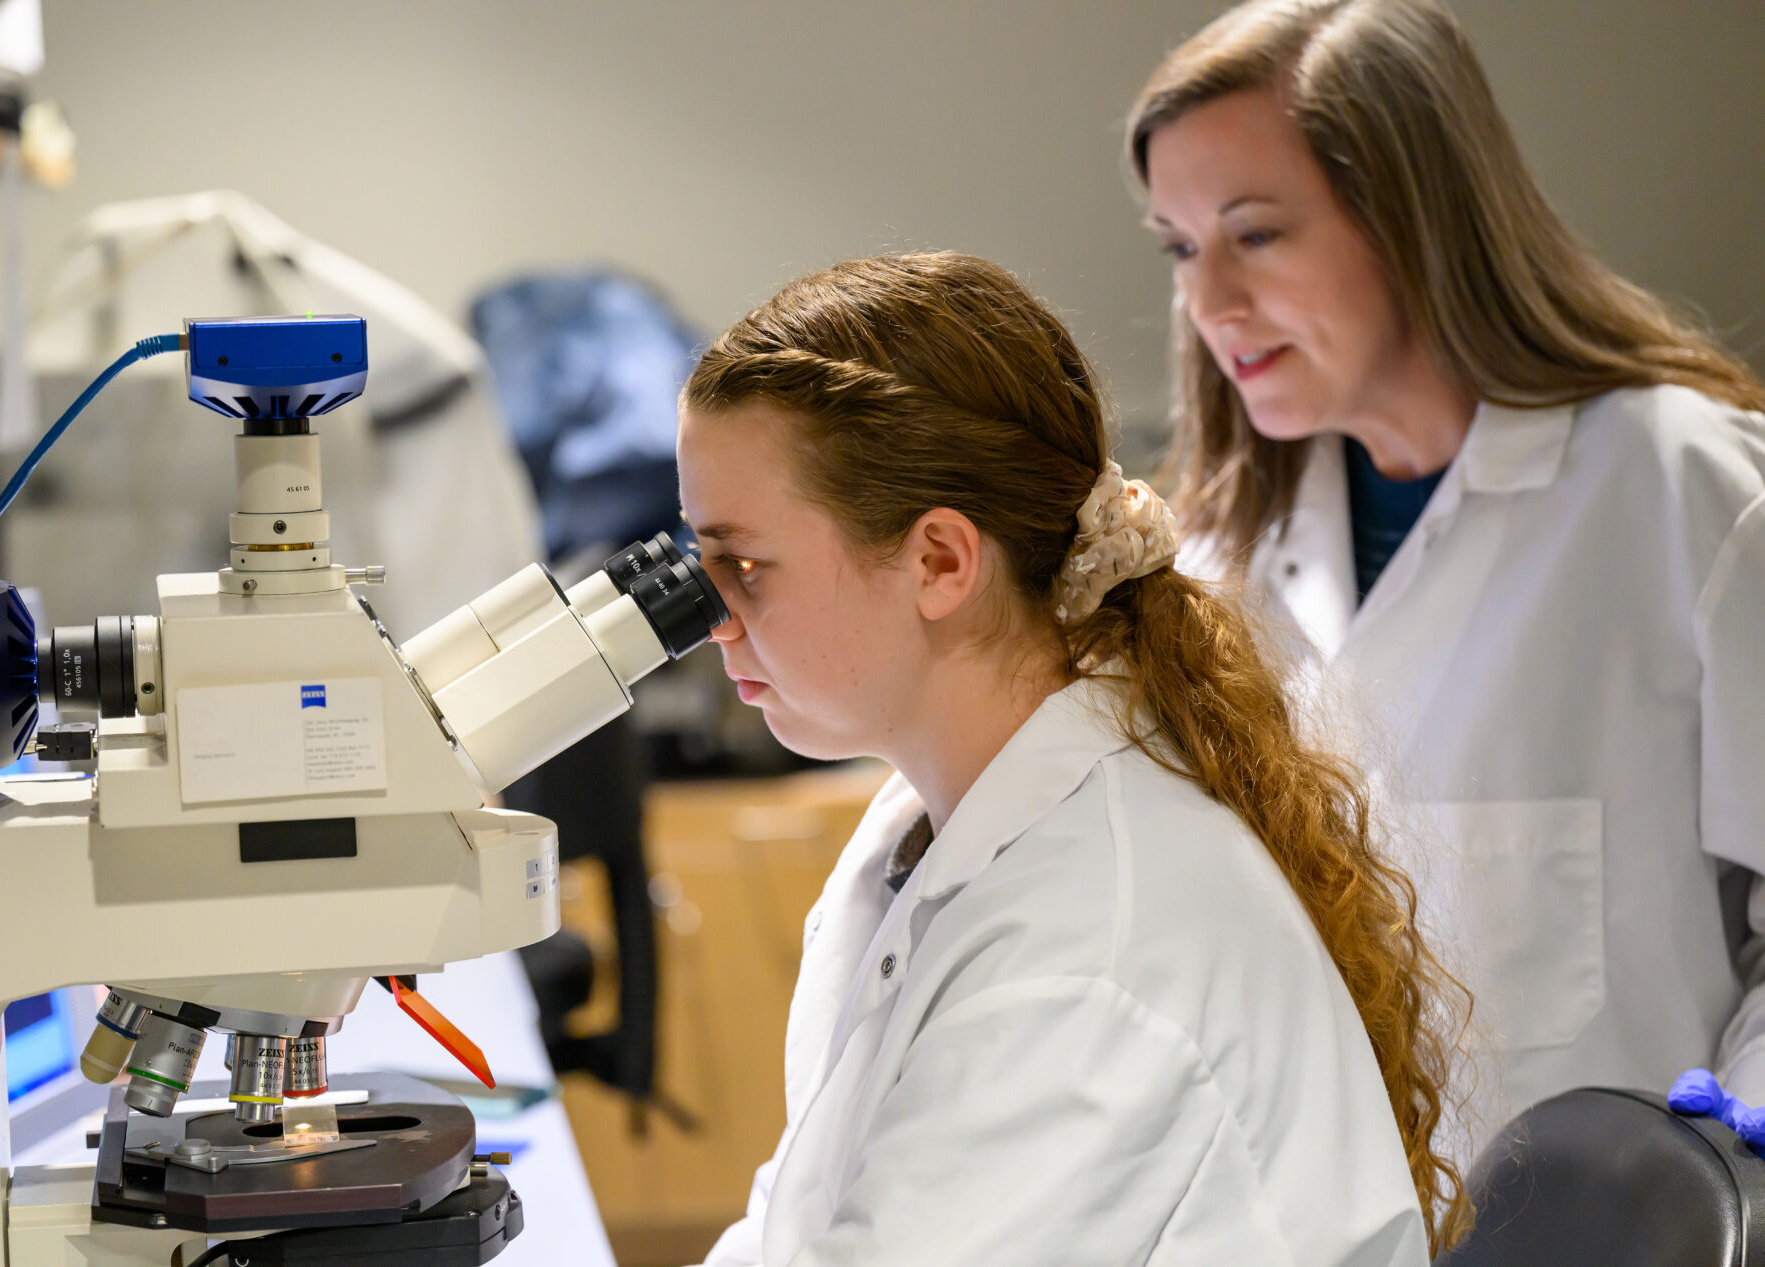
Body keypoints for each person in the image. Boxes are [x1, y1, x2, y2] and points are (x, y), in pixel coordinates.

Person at [678, 252, 1467, 1265]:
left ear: (940, 562)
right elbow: (796, 1218)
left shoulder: (1080, 950)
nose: (711, 621)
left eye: (741, 565)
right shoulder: (944, 823)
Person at [1125, 0, 1765, 1158]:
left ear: (1417, 219)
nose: (1208, 303)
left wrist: (1740, 1141)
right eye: (1178, 246)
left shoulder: (1678, 486)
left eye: (1254, 233)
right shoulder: (1215, 560)